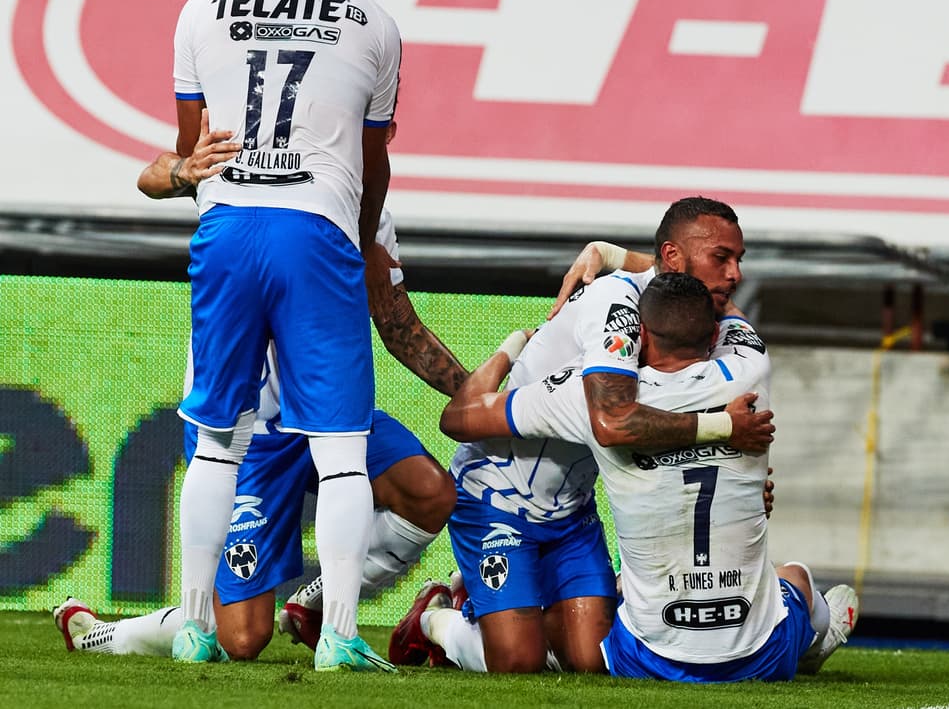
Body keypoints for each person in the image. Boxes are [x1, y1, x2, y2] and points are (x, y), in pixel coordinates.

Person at [57, 166, 467, 659]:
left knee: (431, 493)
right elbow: (152, 177)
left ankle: (317, 605)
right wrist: (184, 168)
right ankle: (99, 634)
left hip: (326, 415)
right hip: (248, 434)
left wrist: (479, 400)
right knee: (241, 638)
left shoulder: (361, 204)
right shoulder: (246, 174)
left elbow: (397, 320)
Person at [168, 0, 401, 670]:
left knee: (213, 441)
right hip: (316, 230)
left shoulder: (202, 5)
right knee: (339, 448)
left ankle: (193, 627)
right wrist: (361, 243)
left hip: (226, 227)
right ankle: (339, 633)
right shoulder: (374, 22)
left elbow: (193, 152)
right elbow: (374, 164)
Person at [388, 197, 772, 674]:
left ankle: (506, 607)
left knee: (591, 660)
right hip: (498, 494)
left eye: (739, 260)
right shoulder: (618, 306)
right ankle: (436, 619)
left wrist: (739, 483)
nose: (735, 274)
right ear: (673, 257)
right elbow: (612, 421)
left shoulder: (687, 315)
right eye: (722, 259)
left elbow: (656, 410)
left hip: (570, 507)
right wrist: (726, 428)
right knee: (516, 662)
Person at [432, 273, 858, 681]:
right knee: (795, 579)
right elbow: (730, 307)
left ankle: (486, 609)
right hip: (763, 658)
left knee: (585, 653)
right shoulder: (749, 375)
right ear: (713, 337)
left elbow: (458, 419)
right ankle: (817, 632)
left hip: (645, 657)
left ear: (641, 336)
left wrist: (514, 348)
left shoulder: (591, 398)